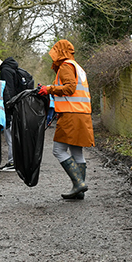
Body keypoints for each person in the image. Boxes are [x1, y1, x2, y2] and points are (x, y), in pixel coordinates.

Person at [37, 39, 92, 200]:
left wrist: (49, 89)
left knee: (58, 150)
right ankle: (79, 190)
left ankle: (78, 183)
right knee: (77, 152)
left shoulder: (66, 66)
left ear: (59, 52)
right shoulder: (77, 67)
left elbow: (69, 88)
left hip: (71, 115)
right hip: (82, 114)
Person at [0, 53, 22, 171]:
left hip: (10, 108)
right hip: (18, 106)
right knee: (15, 135)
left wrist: (7, 108)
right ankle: (17, 161)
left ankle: (12, 163)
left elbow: (8, 91)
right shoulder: (12, 68)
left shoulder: (5, 71)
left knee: (10, 135)